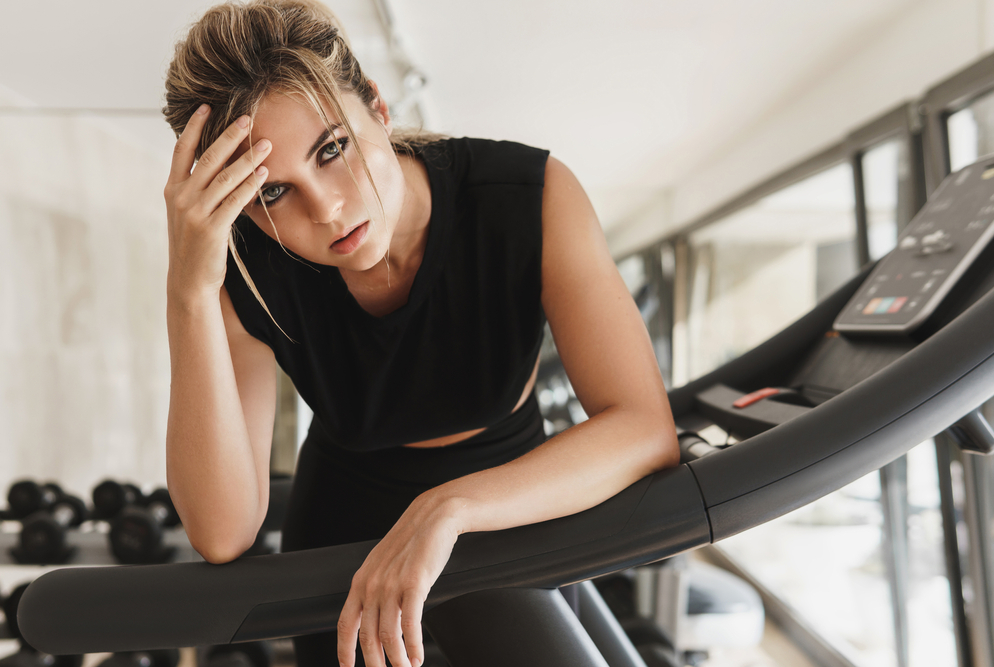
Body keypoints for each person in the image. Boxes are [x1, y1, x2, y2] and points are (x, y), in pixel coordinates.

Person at [160, 1, 679, 665]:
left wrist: (449, 506)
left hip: (510, 507)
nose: (327, 208)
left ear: (376, 106)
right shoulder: (247, 267)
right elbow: (222, 531)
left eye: (332, 150)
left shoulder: (526, 196)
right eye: (273, 193)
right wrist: (189, 291)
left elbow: (644, 428)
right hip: (342, 549)